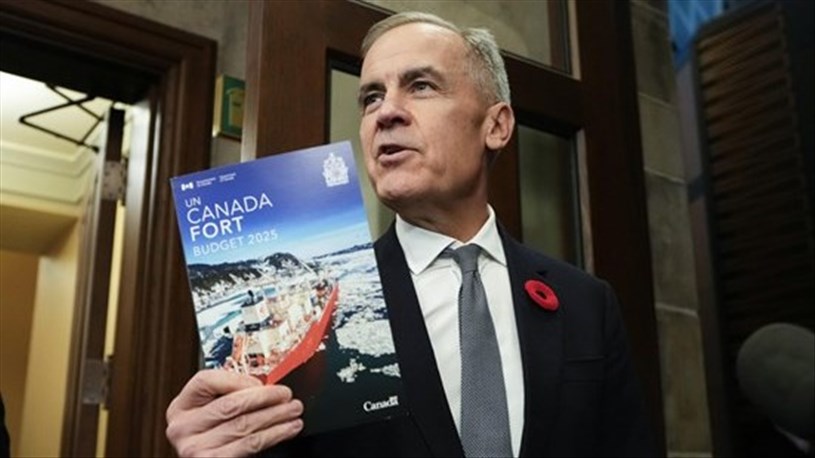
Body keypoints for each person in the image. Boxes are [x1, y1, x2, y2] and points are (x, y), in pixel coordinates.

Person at [165, 11, 656, 457]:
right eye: (371, 97)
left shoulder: (587, 304)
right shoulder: (331, 303)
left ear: (496, 126)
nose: (386, 113)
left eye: (420, 86)